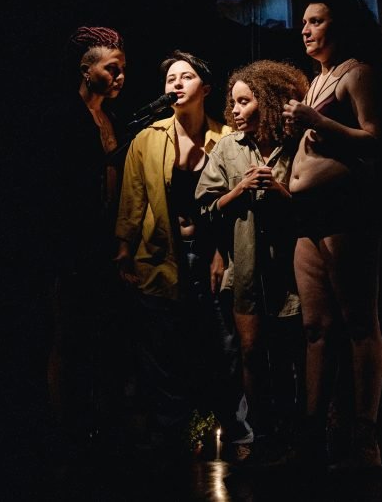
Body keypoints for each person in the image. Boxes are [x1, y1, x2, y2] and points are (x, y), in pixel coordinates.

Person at [114, 50, 253, 462]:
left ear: (205, 88)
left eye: (186, 76)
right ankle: (168, 438)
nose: (176, 83)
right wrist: (123, 250)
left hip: (213, 255)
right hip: (161, 255)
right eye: (170, 78)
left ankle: (240, 435)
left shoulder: (226, 137)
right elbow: (132, 198)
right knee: (162, 350)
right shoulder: (148, 138)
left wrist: (222, 253)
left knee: (225, 349)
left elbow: (235, 205)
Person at [282, 0, 382, 468]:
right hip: (310, 215)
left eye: (316, 21)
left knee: (359, 320)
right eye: (304, 22)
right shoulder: (317, 79)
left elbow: (377, 139)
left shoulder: (358, 73)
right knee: (315, 326)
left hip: (348, 212)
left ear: (339, 24)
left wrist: (319, 122)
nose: (305, 29)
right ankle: (313, 435)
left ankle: (365, 435)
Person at [195, 60, 309, 460]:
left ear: (269, 101)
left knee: (292, 354)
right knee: (251, 351)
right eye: (233, 102)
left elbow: (316, 206)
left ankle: (296, 434)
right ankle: (261, 435)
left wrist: (279, 192)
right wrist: (240, 189)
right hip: (246, 268)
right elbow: (205, 207)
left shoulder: (297, 145)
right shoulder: (228, 148)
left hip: (290, 269)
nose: (236, 110)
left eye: (245, 101)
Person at [46, 26, 130, 457]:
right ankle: (66, 429)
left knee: (101, 335)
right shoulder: (64, 118)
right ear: (86, 70)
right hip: (71, 242)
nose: (119, 77)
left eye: (122, 69)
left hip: (103, 240)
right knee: (67, 334)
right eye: (112, 69)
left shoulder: (111, 119)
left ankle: (98, 424)